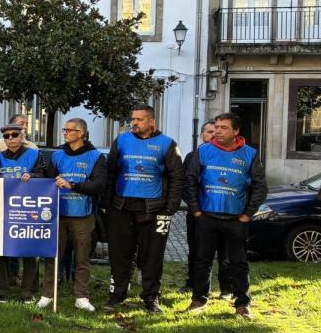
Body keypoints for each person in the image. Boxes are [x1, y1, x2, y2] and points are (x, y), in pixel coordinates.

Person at [184, 113, 266, 320]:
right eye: (217, 127)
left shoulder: (250, 154)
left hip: (236, 219)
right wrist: (196, 210)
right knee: (202, 260)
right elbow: (190, 181)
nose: (218, 131)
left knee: (238, 262)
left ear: (236, 131)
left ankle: (242, 303)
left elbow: (260, 187)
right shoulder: (204, 151)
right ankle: (199, 300)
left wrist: (248, 214)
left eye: (224, 128)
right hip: (207, 216)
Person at [104, 105, 184, 314]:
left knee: (152, 257)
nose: (134, 123)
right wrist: (108, 204)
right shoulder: (121, 141)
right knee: (119, 254)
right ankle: (117, 295)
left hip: (154, 209)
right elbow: (110, 172)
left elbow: (177, 178)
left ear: (151, 122)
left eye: (139, 119)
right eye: (133, 119)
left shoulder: (167, 144)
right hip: (121, 207)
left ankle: (151, 298)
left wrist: (170, 208)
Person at [39, 118, 106, 311]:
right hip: (57, 214)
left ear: (81, 133)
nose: (65, 133)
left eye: (69, 130)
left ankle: (81, 297)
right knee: (53, 256)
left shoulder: (96, 157)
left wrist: (73, 185)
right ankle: (47, 294)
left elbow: (99, 185)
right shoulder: (58, 155)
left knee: (82, 258)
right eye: (64, 130)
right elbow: (47, 180)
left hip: (83, 216)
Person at [0, 122, 47, 303]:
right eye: (6, 136)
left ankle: (27, 292)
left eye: (14, 135)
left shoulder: (35, 154)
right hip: (4, 210)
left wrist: (33, 176)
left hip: (29, 210)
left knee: (30, 252)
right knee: (2, 252)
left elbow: (44, 175)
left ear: (22, 136)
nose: (10, 139)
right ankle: (3, 292)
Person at [181, 120, 232, 297]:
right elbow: (185, 184)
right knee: (196, 250)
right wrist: (195, 207)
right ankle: (192, 282)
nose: (213, 134)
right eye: (209, 132)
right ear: (202, 135)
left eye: (215, 131)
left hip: (223, 211)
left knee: (225, 251)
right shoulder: (192, 157)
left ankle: (226, 287)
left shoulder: (229, 155)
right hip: (198, 213)